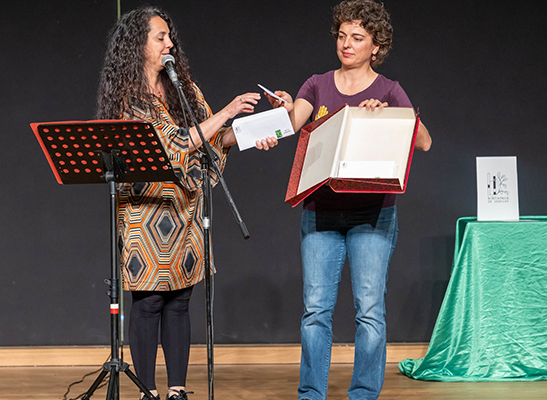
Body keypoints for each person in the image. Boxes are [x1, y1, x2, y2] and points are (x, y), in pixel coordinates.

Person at [96, 6, 273, 400]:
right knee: (148, 302)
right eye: (159, 37)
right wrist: (225, 112)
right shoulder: (130, 98)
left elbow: (210, 141)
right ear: (135, 45)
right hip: (146, 212)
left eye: (168, 36)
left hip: (186, 212)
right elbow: (173, 144)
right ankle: (148, 391)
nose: (169, 43)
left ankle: (176, 391)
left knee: (179, 302)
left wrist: (249, 133)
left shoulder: (184, 90)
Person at [259, 1, 432, 399]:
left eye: (358, 38)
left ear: (376, 46)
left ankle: (363, 394)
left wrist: (390, 114)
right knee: (315, 312)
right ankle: (311, 395)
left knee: (370, 312)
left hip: (374, 216)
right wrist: (282, 112)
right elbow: (291, 124)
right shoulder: (316, 84)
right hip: (320, 214)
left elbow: (423, 142)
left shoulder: (388, 89)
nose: (347, 44)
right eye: (342, 36)